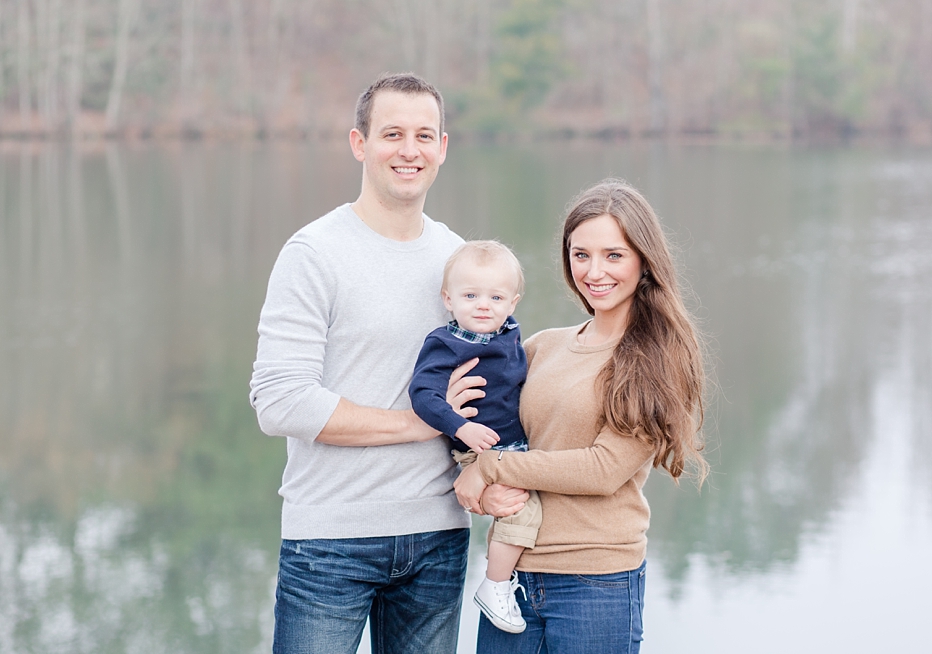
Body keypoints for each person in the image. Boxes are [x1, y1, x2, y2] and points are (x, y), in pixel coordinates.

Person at [249, 73, 523, 654]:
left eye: (424, 135)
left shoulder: (460, 260)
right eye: (391, 133)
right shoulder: (314, 253)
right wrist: (423, 421)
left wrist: (490, 469)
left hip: (438, 537)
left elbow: (497, 388)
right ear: (359, 143)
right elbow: (278, 400)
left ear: (443, 148)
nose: (409, 150)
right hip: (330, 540)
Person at [453, 179, 709, 654]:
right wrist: (456, 415)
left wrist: (493, 468)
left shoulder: (655, 358)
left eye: (614, 255)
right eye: (580, 254)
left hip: (596, 585)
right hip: (512, 580)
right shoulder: (542, 346)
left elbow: (602, 469)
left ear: (643, 260)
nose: (595, 272)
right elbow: (492, 423)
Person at [409, 240, 542, 635]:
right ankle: (495, 585)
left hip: (515, 448)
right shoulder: (446, 343)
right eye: (470, 296)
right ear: (448, 299)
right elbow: (423, 395)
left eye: (495, 297)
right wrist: (459, 425)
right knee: (523, 510)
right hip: (479, 449)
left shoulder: (511, 336)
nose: (483, 305)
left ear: (512, 303)